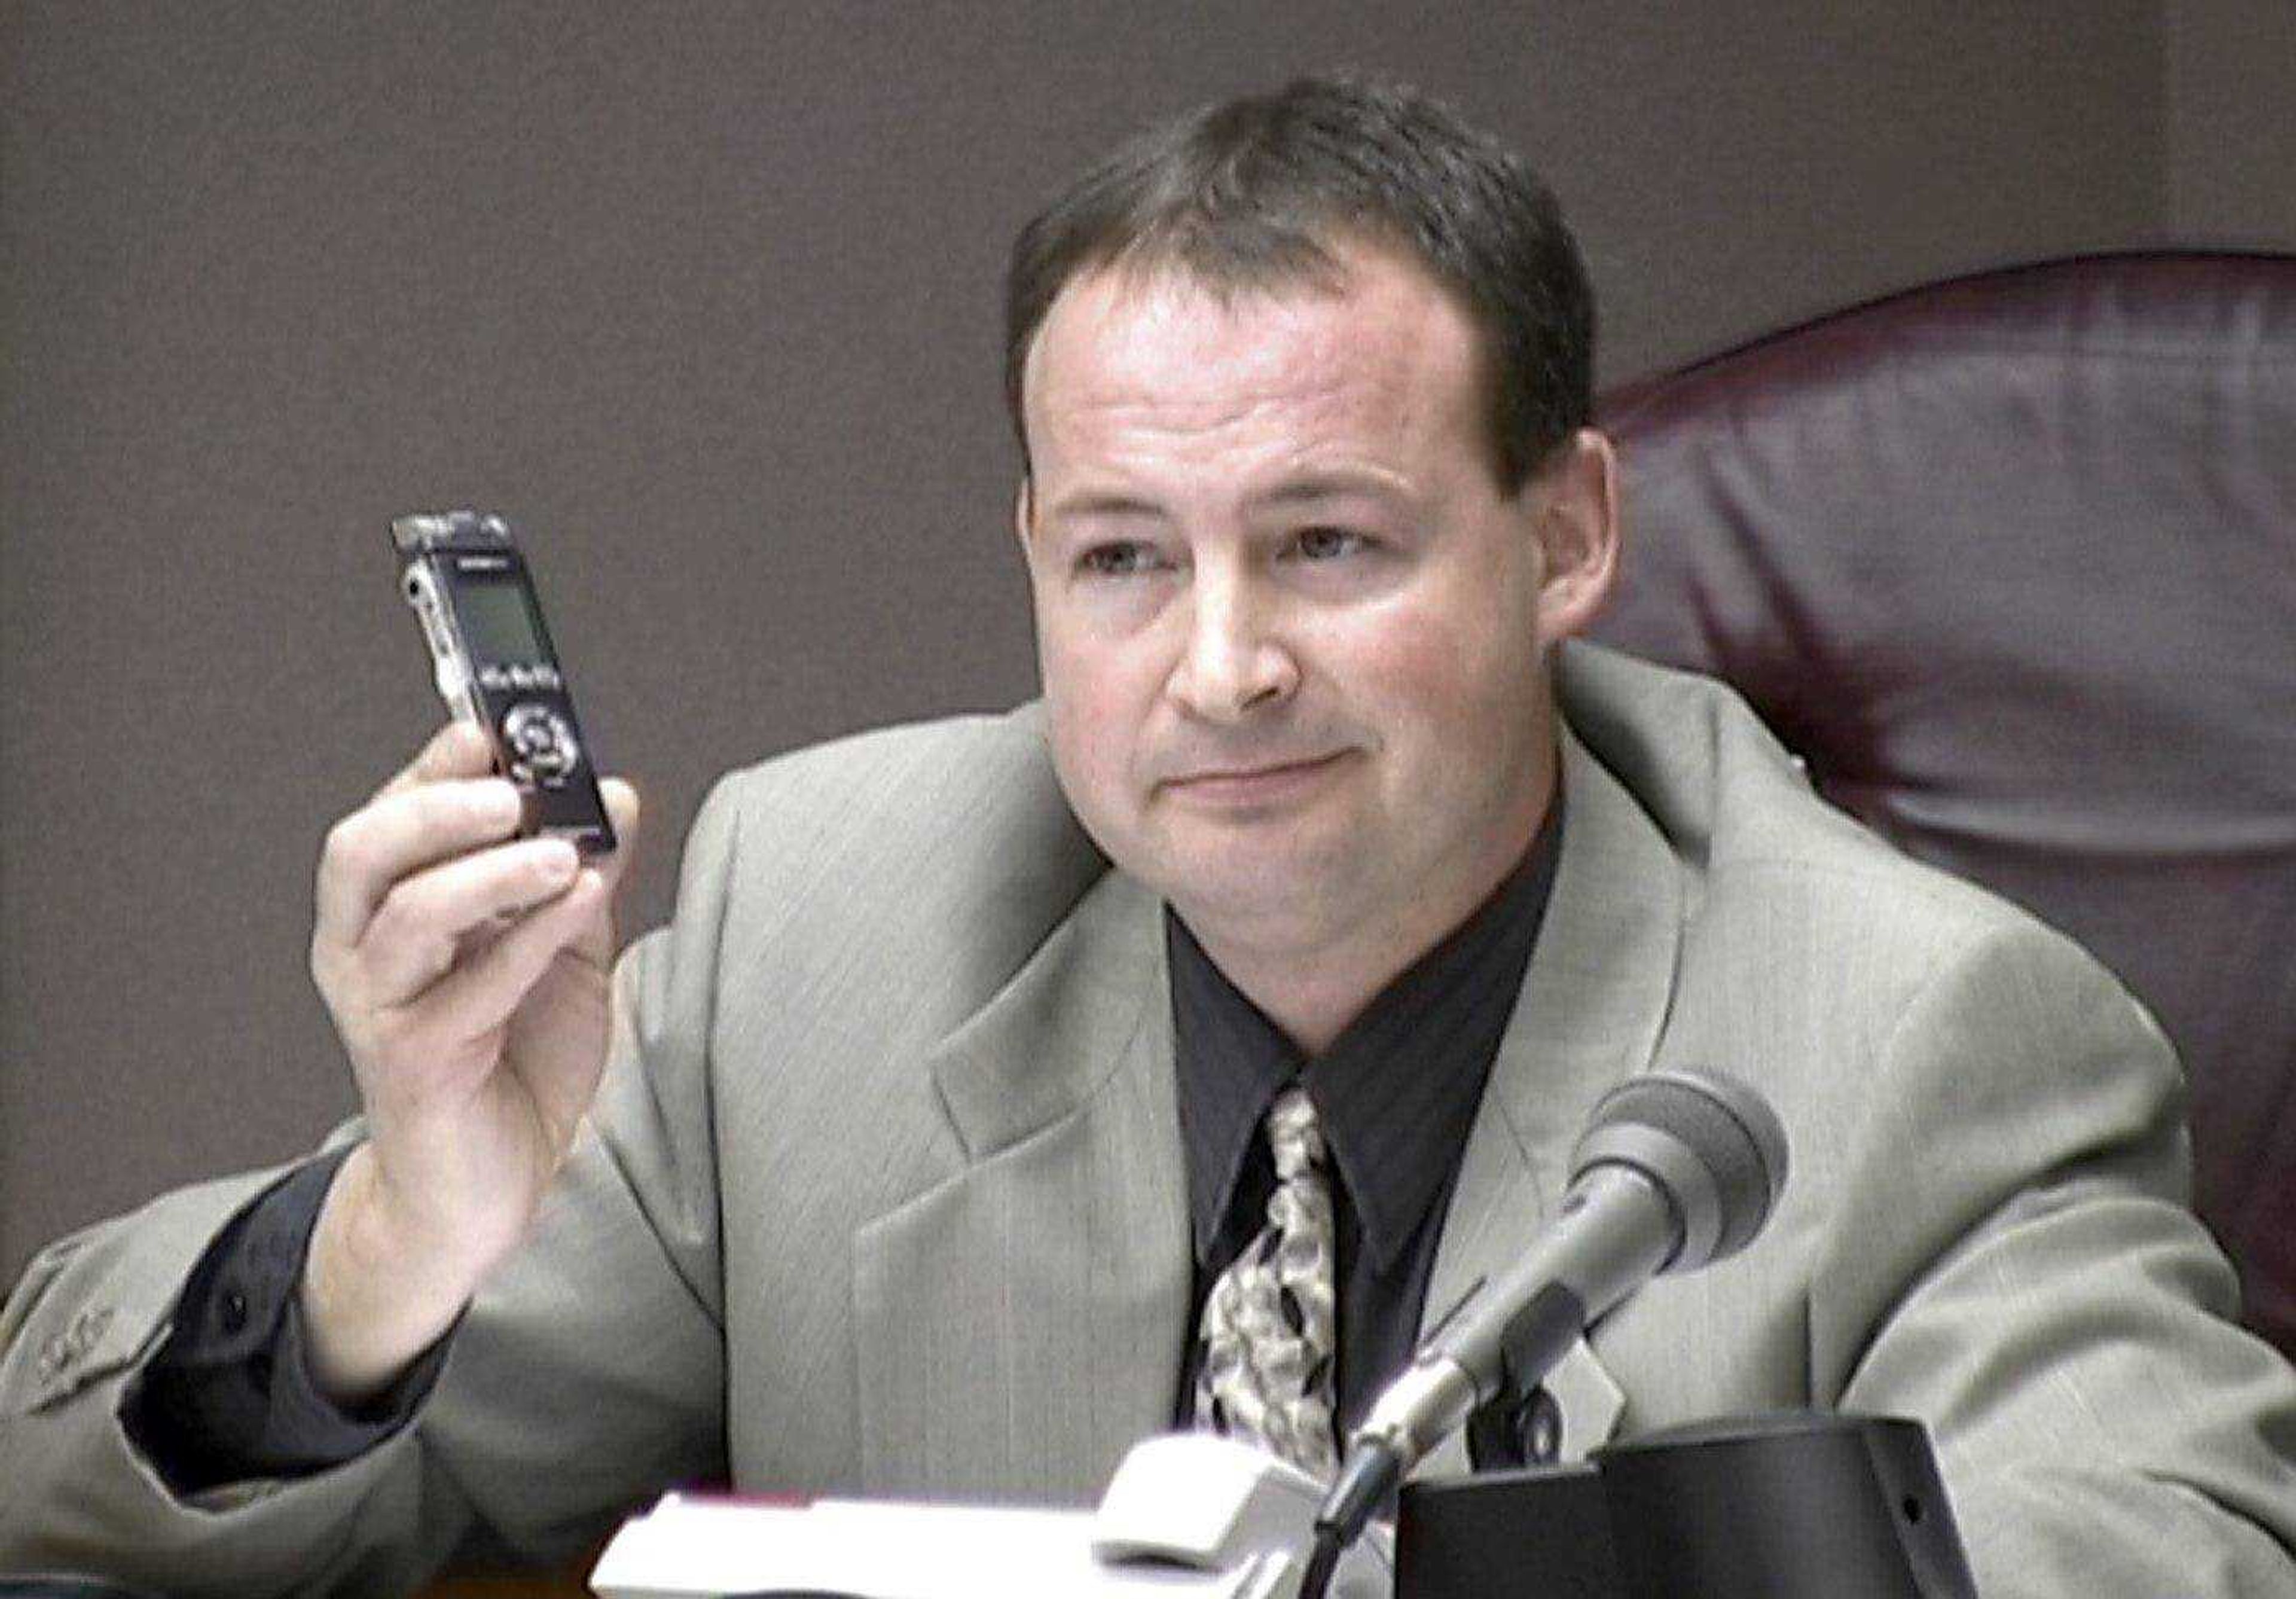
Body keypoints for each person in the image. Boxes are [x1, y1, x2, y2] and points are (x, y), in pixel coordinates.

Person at [4, 73, 2292, 1597]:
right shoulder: (837, 927)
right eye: (1120, 557)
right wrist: (398, 1237)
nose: (1219, 667)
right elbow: (69, 1477)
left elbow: (2174, 1546)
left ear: (1567, 530)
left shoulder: (1922, 1029)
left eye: (1327, 543)